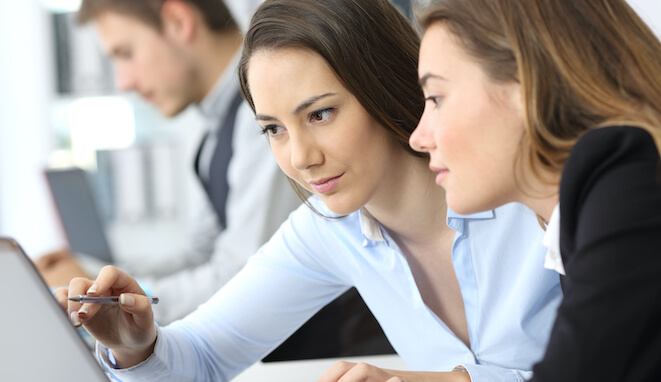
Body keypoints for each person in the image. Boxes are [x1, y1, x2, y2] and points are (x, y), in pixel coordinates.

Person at [56, 0, 562, 381]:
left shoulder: (529, 189)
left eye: (320, 114)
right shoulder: (331, 228)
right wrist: (137, 347)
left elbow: (628, 358)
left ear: (383, 87)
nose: (300, 157)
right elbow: (204, 357)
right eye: (273, 129)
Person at [407, 0, 661, 381]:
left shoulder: (625, 177)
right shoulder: (594, 208)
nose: (419, 137)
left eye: (436, 99)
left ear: (527, 84)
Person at [37, 0, 300, 325]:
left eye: (125, 53)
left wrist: (113, 300)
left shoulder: (264, 112)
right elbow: (200, 256)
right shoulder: (217, 128)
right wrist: (93, 275)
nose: (123, 82)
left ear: (178, 21)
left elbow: (242, 276)